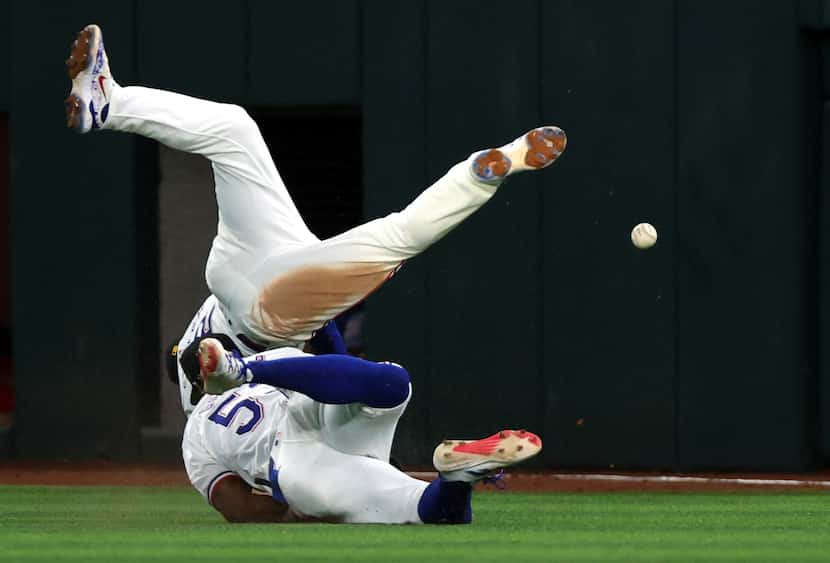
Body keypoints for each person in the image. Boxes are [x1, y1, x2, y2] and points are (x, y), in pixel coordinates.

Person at [64, 24, 567, 414]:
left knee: (395, 238)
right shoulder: (217, 405)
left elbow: (226, 376)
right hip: (244, 280)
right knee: (234, 130)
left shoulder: (211, 406)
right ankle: (111, 102)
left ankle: (481, 175)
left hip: (259, 310)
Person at [183, 337, 542, 524]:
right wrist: (323, 324)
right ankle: (459, 474)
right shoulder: (271, 357)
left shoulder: (195, 432)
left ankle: (457, 479)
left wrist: (296, 513)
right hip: (305, 414)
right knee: (391, 381)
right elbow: (338, 374)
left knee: (432, 512)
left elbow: (238, 507)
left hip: (296, 466)